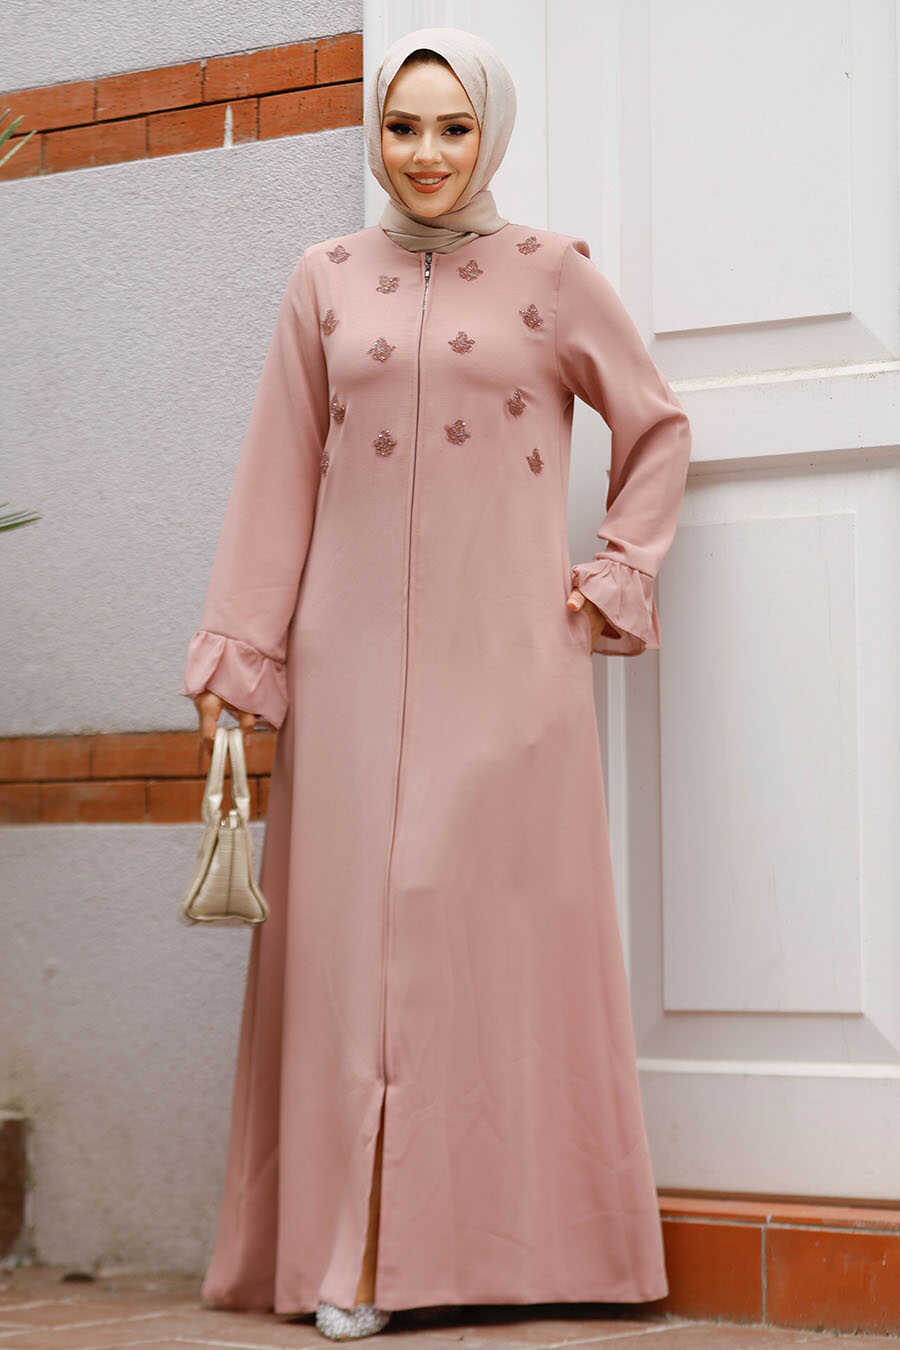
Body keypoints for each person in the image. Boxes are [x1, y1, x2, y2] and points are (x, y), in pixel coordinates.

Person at [181, 25, 691, 1345]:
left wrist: (615, 574)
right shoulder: (323, 278)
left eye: (452, 127)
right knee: (357, 950)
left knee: (491, 945)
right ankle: (351, 1256)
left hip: (508, 658)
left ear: (490, 133)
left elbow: (656, 426)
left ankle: (535, 1250)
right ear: (377, 131)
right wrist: (242, 653)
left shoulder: (554, 273)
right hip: (348, 665)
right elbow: (278, 469)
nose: (424, 153)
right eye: (402, 126)